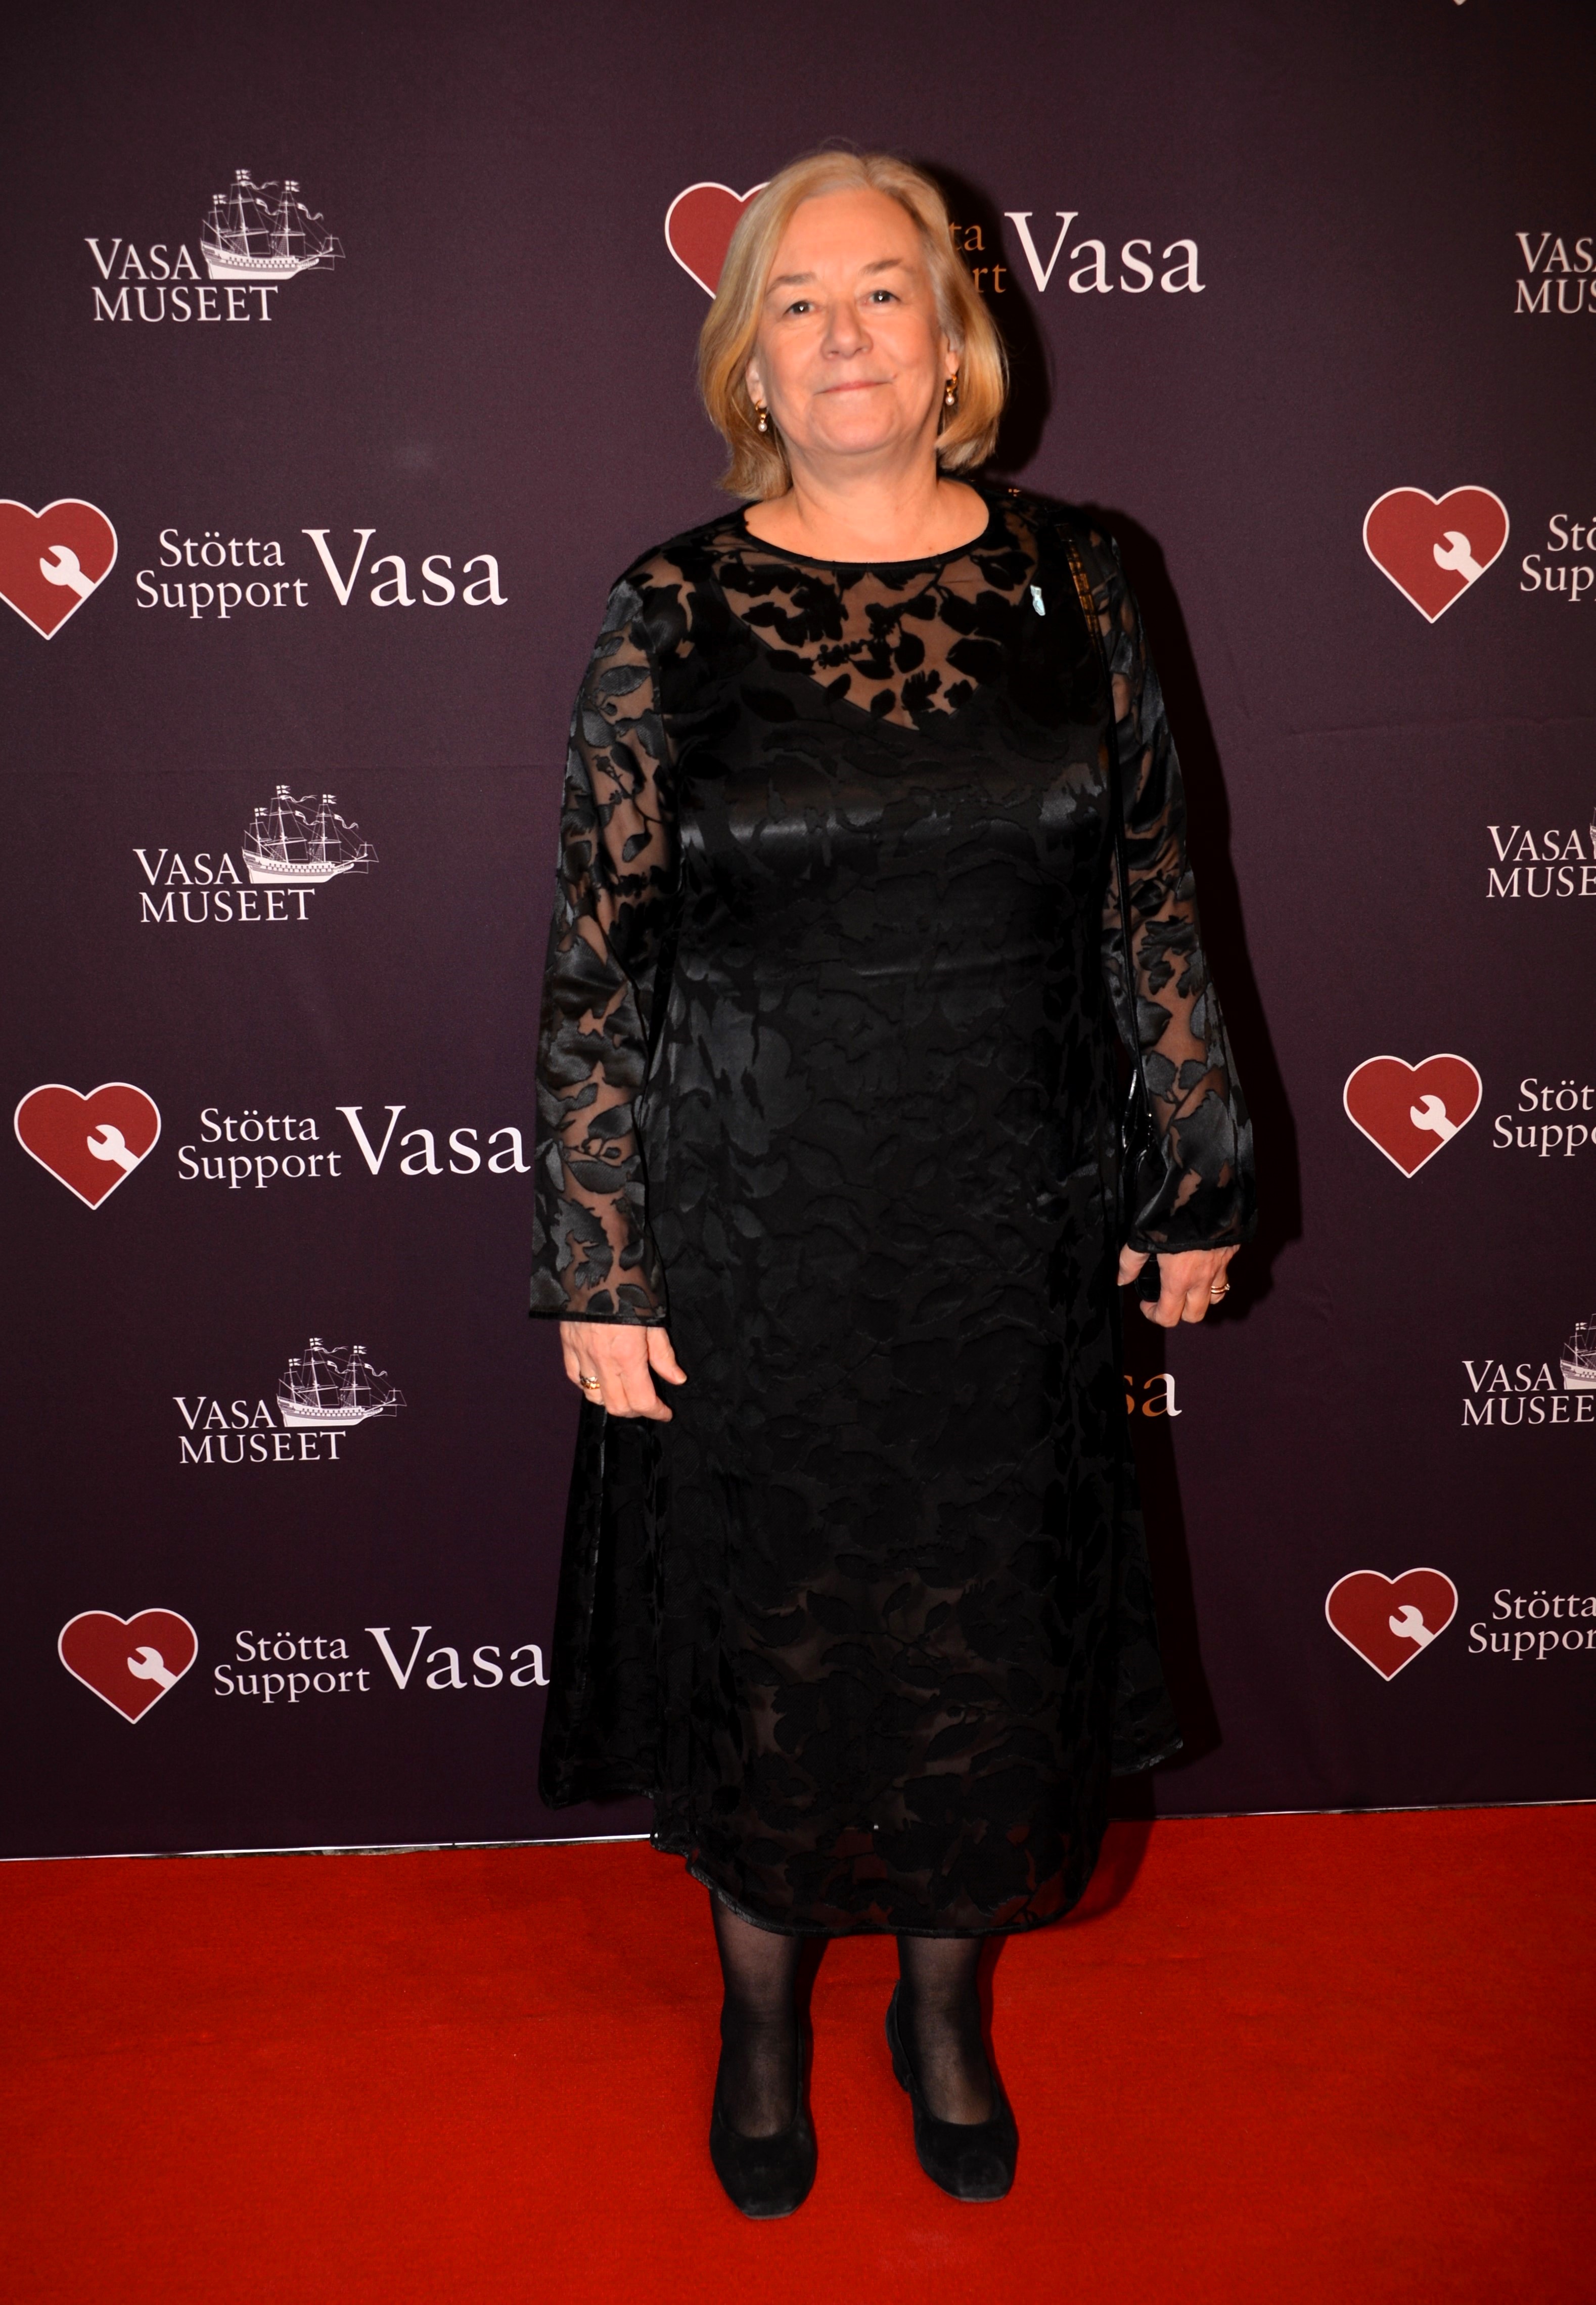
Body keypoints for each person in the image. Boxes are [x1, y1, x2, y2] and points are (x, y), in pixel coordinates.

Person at [530, 147, 1254, 2218]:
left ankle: (943, 2011)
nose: (841, 333)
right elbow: (602, 950)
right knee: (773, 1633)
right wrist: (600, 1257)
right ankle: (761, 2017)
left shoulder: (1082, 582)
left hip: (1013, 1217)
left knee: (987, 1634)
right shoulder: (670, 607)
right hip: (752, 1218)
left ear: (953, 341)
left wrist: (1195, 1168)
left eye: (881, 290)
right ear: (747, 358)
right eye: (796, 298)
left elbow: (1152, 897)